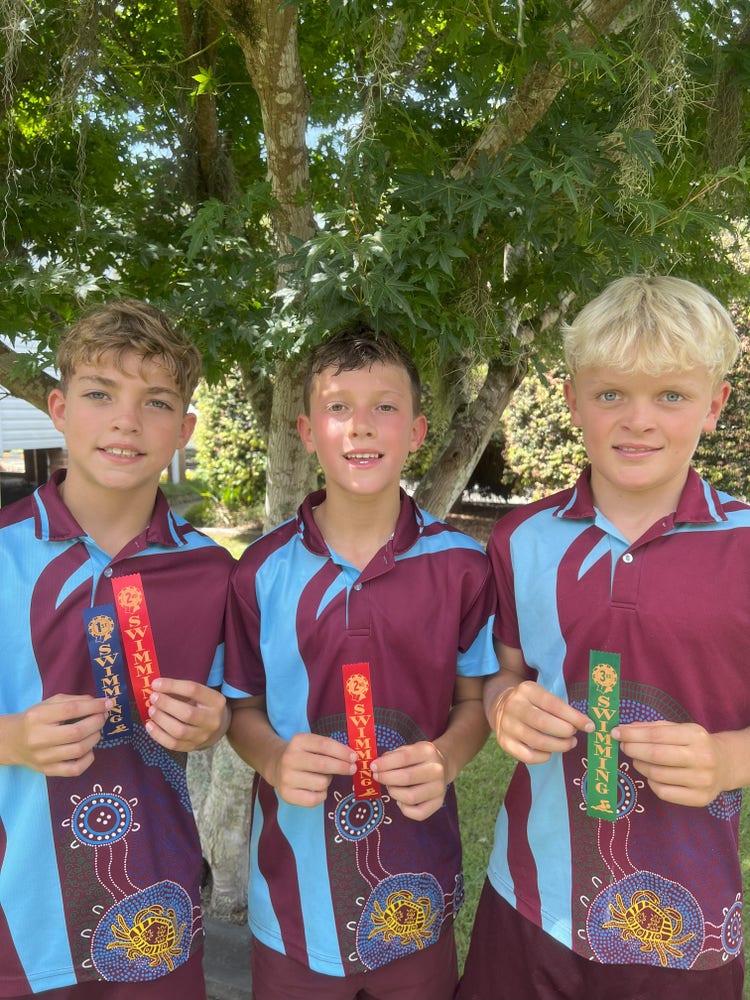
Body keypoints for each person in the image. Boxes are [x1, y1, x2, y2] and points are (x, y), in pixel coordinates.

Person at [457, 274, 749, 1000]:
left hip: (687, 929)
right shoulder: (522, 539)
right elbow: (506, 674)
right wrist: (503, 706)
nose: (637, 421)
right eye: (611, 393)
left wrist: (728, 755)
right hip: (527, 905)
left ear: (715, 405)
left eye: (671, 396)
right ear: (572, 401)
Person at [223, 327, 498, 1000]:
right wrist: (273, 759)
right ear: (308, 430)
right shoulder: (262, 571)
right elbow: (240, 710)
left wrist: (449, 759)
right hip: (292, 904)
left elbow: (474, 704)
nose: (361, 427)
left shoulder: (461, 566)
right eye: (338, 406)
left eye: (385, 407)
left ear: (418, 431)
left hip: (417, 894)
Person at [0, 300, 235, 999]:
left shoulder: (213, 572)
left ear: (184, 429)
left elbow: (233, 714)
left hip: (155, 919)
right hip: (18, 925)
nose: (126, 420)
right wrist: (11, 737)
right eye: (100, 393)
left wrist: (214, 723)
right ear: (58, 407)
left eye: (156, 401)